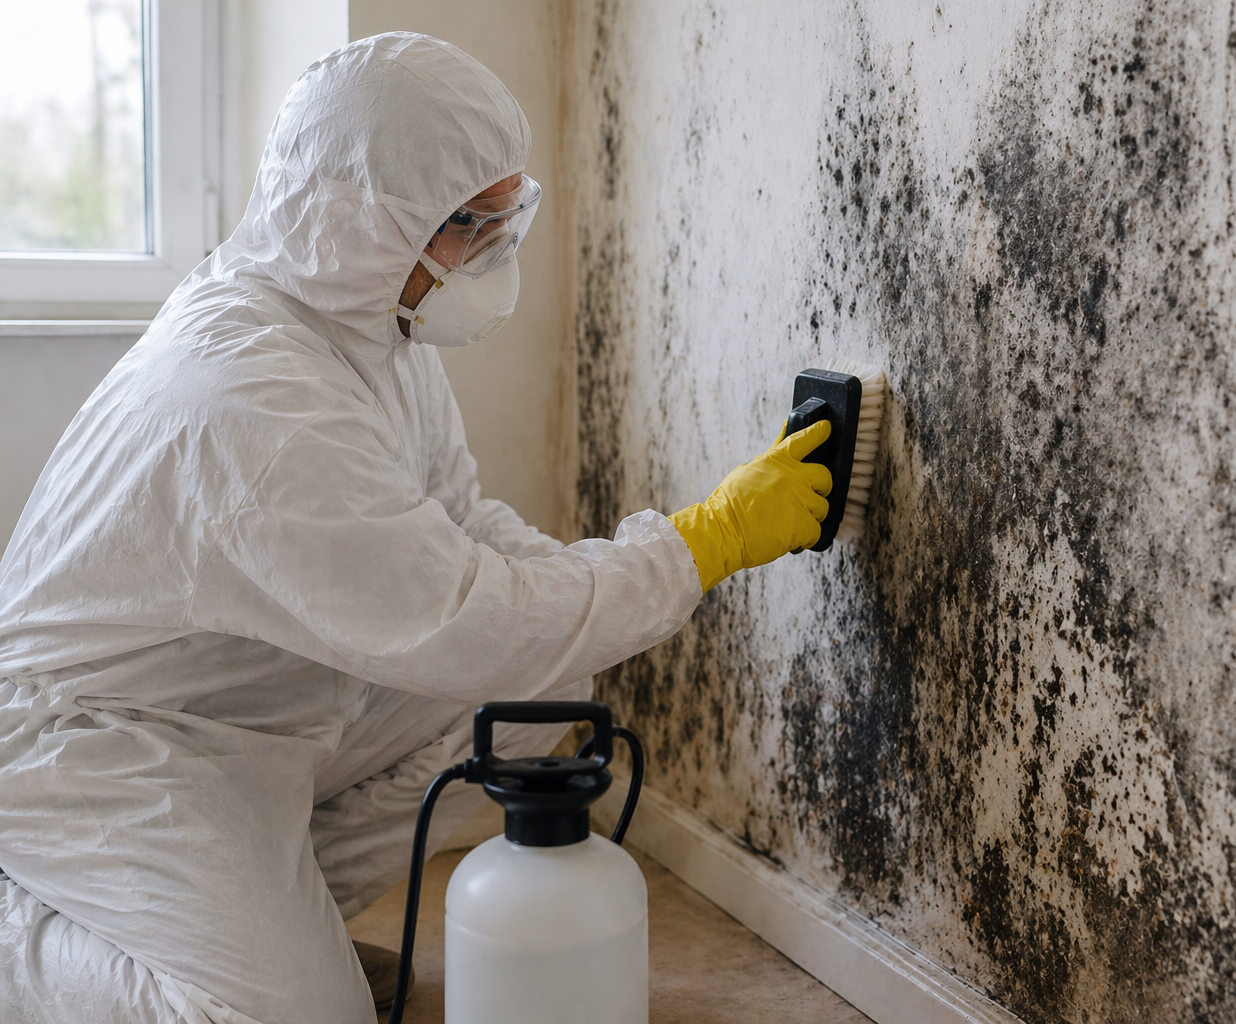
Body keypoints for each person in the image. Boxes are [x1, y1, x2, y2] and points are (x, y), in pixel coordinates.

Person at [0, 33, 830, 1024]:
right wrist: (700, 542)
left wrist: (635, 566)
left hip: (259, 706)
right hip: (108, 747)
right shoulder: (252, 399)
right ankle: (41, 941)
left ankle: (251, 914)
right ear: (360, 217)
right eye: (469, 224)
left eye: (505, 215)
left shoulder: (368, 325)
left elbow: (463, 523)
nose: (494, 252)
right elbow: (464, 618)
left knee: (540, 688)